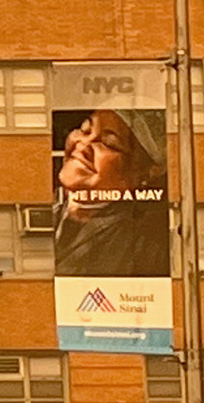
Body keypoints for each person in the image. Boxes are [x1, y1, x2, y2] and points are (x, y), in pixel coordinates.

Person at [51, 107, 172, 279]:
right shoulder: (48, 202)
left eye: (108, 143)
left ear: (144, 173)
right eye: (85, 129)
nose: (84, 144)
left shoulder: (142, 245)